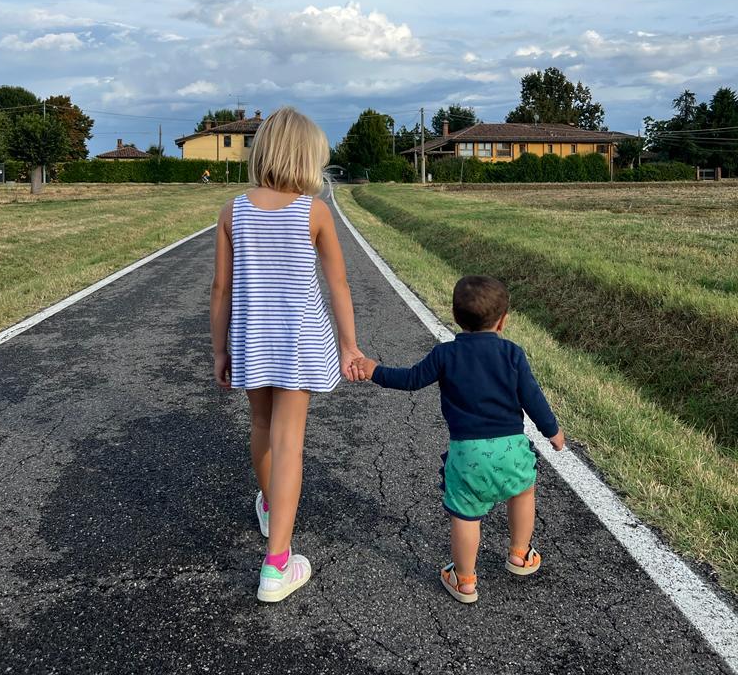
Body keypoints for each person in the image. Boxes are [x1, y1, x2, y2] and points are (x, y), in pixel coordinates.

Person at [210, 106, 360, 603]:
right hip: (298, 342)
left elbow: (220, 290)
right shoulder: (313, 211)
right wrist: (349, 345)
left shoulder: (232, 211)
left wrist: (219, 350)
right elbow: (338, 283)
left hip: (251, 340)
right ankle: (276, 564)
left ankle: (272, 506)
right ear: (307, 157)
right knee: (289, 441)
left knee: (261, 426)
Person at [352, 275, 564, 604]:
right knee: (523, 492)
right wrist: (553, 431)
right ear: (503, 321)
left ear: (455, 316)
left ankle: (464, 580)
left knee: (466, 515)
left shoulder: (445, 355)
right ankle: (520, 554)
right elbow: (532, 398)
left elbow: (411, 379)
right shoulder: (512, 353)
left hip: (468, 454)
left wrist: (374, 370)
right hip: (511, 448)